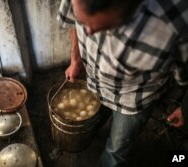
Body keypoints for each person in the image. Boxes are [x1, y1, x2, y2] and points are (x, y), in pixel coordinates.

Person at [57, 0, 188, 166]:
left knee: (115, 151)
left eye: (106, 27)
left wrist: (185, 109)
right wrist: (75, 59)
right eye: (83, 21)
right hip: (95, 82)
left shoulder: (177, 24)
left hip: (134, 97)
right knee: (93, 123)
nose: (89, 32)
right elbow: (71, 20)